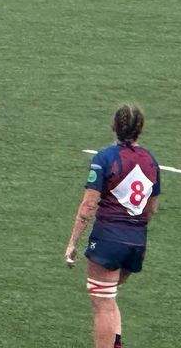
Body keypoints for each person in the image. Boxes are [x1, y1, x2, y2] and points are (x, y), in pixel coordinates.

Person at [66, 104, 161, 348]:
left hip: (108, 240)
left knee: (102, 303)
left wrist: (73, 243)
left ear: (114, 127)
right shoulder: (151, 161)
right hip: (137, 241)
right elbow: (151, 209)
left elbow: (88, 205)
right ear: (140, 129)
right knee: (109, 296)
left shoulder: (105, 158)